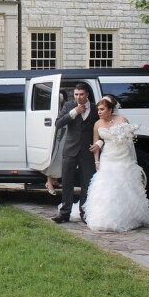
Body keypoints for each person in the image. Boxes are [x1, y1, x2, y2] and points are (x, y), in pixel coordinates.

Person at [83, 97, 149, 232]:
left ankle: (128, 216)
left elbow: (130, 139)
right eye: (98, 109)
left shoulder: (122, 121)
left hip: (122, 156)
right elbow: (96, 144)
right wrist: (97, 161)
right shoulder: (97, 124)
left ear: (110, 110)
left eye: (102, 109)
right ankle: (104, 218)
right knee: (107, 186)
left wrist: (127, 134)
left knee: (124, 185)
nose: (99, 112)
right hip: (108, 156)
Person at [51, 83, 98, 223]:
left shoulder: (96, 109)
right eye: (76, 94)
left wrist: (99, 143)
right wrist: (74, 112)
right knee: (67, 182)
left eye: (81, 94)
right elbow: (58, 123)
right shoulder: (68, 106)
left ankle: (84, 213)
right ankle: (64, 214)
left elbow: (100, 129)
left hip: (87, 151)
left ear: (87, 94)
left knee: (86, 183)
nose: (78, 97)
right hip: (70, 149)